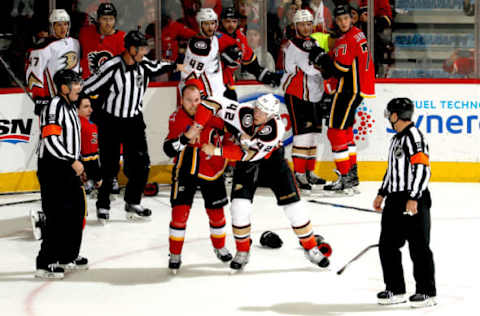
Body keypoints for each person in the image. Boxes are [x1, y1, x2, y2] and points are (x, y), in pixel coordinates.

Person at [195, 93, 331, 271]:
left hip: (273, 163)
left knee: (294, 208)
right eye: (257, 108)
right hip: (247, 166)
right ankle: (242, 251)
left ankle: (311, 247)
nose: (257, 113)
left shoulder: (275, 130)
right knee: (238, 207)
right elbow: (214, 102)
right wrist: (197, 123)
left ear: (272, 116)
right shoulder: (244, 113)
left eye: (263, 112)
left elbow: (248, 154)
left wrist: (217, 150)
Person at [82, 30, 180, 224]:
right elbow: (88, 86)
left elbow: (158, 65)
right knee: (109, 168)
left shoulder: (143, 64)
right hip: (111, 122)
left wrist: (177, 65)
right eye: (141, 48)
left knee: (142, 165)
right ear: (131, 49)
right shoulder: (112, 67)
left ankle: (133, 202)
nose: (144, 52)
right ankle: (103, 204)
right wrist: (74, 102)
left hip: (134, 121)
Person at [373, 98, 437, 308]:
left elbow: (422, 168)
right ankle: (395, 289)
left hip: (413, 200)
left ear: (395, 115)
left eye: (390, 113)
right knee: (387, 246)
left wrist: (414, 197)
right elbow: (392, 170)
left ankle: (427, 293)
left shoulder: (414, 136)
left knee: (419, 248)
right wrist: (382, 193)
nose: (388, 117)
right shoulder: (396, 139)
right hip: (394, 200)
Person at [163, 83, 233, 273]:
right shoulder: (177, 117)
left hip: (212, 169)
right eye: (189, 100)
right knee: (179, 214)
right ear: (181, 100)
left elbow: (230, 133)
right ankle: (175, 253)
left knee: (217, 214)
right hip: (186, 170)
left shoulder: (213, 115)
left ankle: (220, 247)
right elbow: (168, 149)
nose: (194, 105)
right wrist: (186, 137)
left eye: (197, 100)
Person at [309, 4, 374, 192]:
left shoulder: (346, 40)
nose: (343, 22)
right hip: (359, 88)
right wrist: (328, 56)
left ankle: (346, 176)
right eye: (339, 20)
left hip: (349, 89)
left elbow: (338, 70)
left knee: (335, 132)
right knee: (345, 132)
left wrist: (321, 58)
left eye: (346, 18)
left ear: (351, 19)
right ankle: (351, 176)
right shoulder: (357, 33)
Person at [35, 69, 87, 280]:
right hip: (53, 168)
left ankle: (67, 256)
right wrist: (71, 161)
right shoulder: (54, 106)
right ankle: (45, 263)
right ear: (64, 88)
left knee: (76, 212)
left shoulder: (70, 106)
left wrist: (78, 162)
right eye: (75, 84)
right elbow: (51, 140)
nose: (79, 87)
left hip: (68, 166)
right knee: (56, 215)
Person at [280, 9, 327, 191]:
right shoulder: (293, 45)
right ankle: (299, 174)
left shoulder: (312, 42)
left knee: (313, 134)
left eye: (308, 24)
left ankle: (310, 172)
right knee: (302, 134)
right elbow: (311, 69)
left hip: (313, 95)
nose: (306, 27)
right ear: (295, 26)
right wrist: (326, 66)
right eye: (302, 24)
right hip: (297, 94)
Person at [217, 7, 281, 101]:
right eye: (227, 21)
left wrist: (264, 74)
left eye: (234, 21)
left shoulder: (240, 37)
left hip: (228, 85)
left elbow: (251, 63)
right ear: (221, 21)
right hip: (214, 84)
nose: (231, 25)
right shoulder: (215, 39)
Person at [26, 9, 80, 116]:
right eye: (59, 25)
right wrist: (39, 97)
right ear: (52, 26)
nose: (63, 28)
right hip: (54, 100)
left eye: (65, 24)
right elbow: (33, 73)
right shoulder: (43, 47)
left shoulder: (76, 43)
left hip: (74, 98)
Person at [180, 8, 225, 98]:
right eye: (206, 24)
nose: (210, 27)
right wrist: (200, 96)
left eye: (212, 23)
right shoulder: (199, 46)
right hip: (203, 94)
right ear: (200, 25)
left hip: (216, 91)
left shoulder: (214, 39)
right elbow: (191, 75)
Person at [79, 2, 126, 80]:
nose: (108, 23)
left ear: (115, 20)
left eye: (111, 19)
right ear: (98, 19)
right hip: (86, 85)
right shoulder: (85, 34)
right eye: (104, 19)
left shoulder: (122, 38)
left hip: (109, 86)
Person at [77, 93, 102, 195]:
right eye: (86, 107)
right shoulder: (79, 124)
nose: (90, 110)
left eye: (90, 106)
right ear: (77, 109)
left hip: (91, 166)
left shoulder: (92, 124)